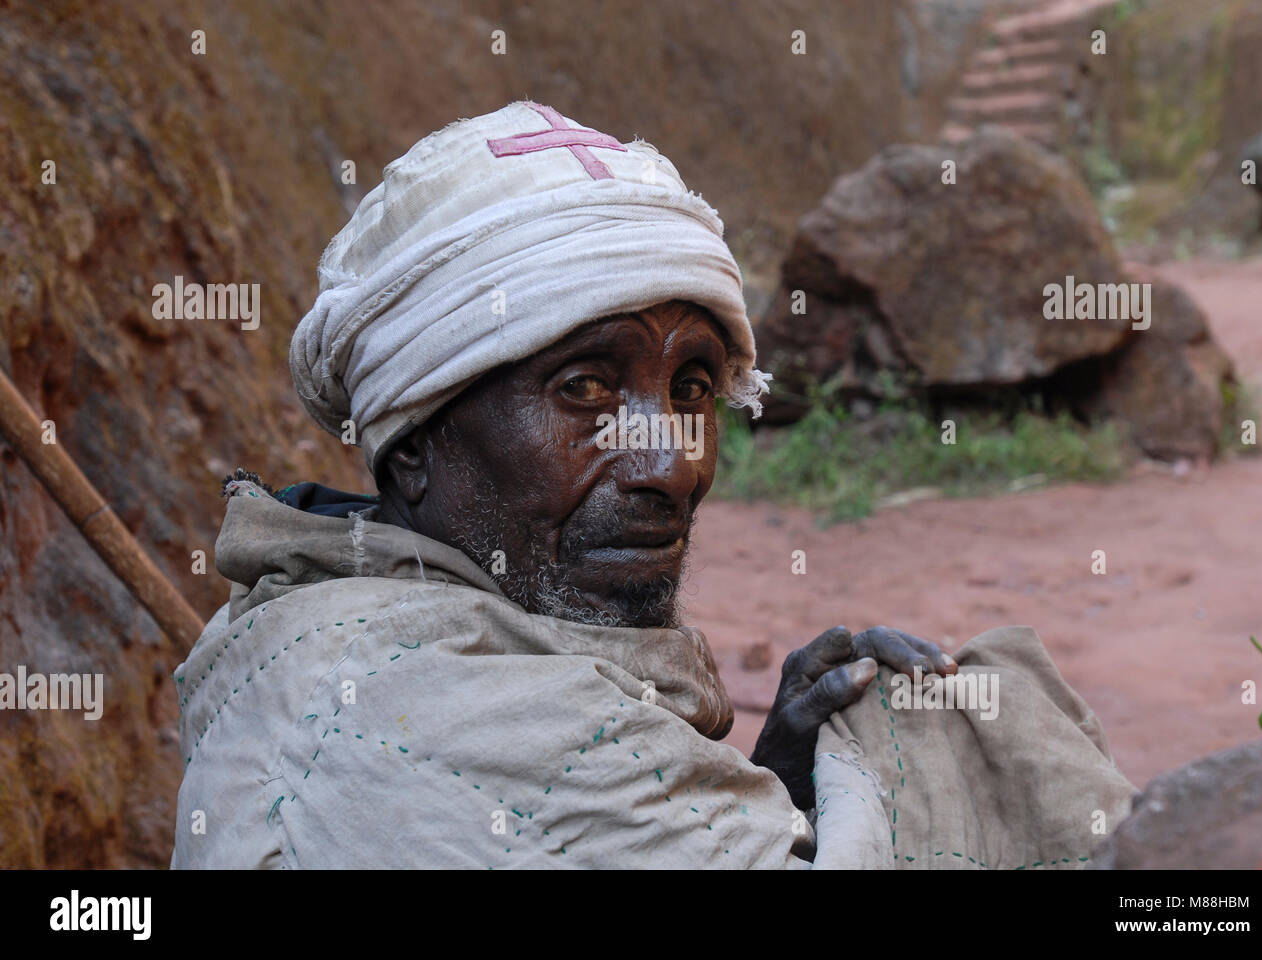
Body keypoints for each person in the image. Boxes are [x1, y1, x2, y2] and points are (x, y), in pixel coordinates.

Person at [171, 102, 1133, 869]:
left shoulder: (311, 634)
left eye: (694, 387)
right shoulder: (440, 724)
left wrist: (771, 789)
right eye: (584, 388)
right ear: (415, 443)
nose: (674, 464)